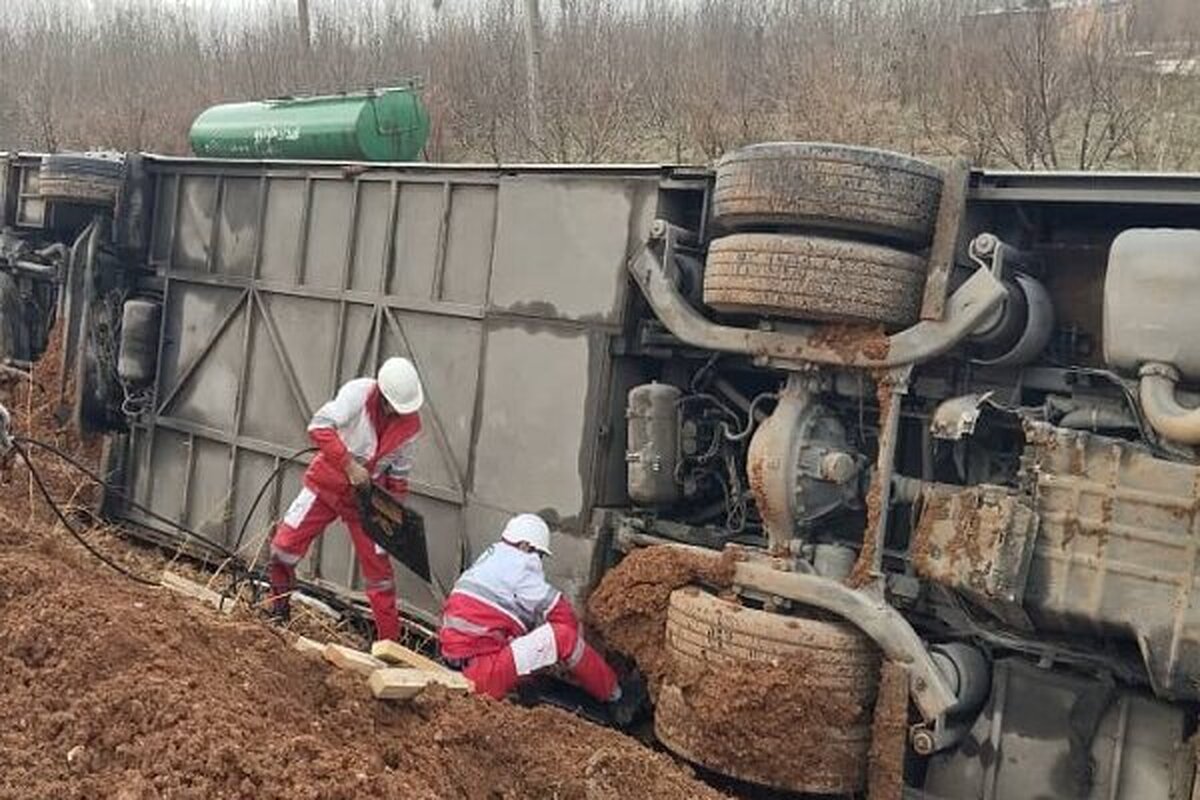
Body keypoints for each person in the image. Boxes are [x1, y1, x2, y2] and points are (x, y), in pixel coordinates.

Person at [266, 357, 423, 643]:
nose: (396, 414)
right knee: (283, 550)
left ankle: (389, 647)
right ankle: (279, 610)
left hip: (367, 499)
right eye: (392, 407)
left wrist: (392, 512)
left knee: (381, 577)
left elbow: (400, 474)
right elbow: (319, 427)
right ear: (383, 395)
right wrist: (349, 465)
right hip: (328, 482)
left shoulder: (410, 424)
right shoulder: (358, 394)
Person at [439, 513, 631, 711]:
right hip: (481, 676)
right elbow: (562, 615)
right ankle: (615, 694)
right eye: (539, 554)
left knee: (523, 642)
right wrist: (576, 659)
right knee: (562, 637)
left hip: (455, 664)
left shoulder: (491, 558)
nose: (538, 560)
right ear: (525, 546)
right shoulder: (522, 564)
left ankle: (524, 688)